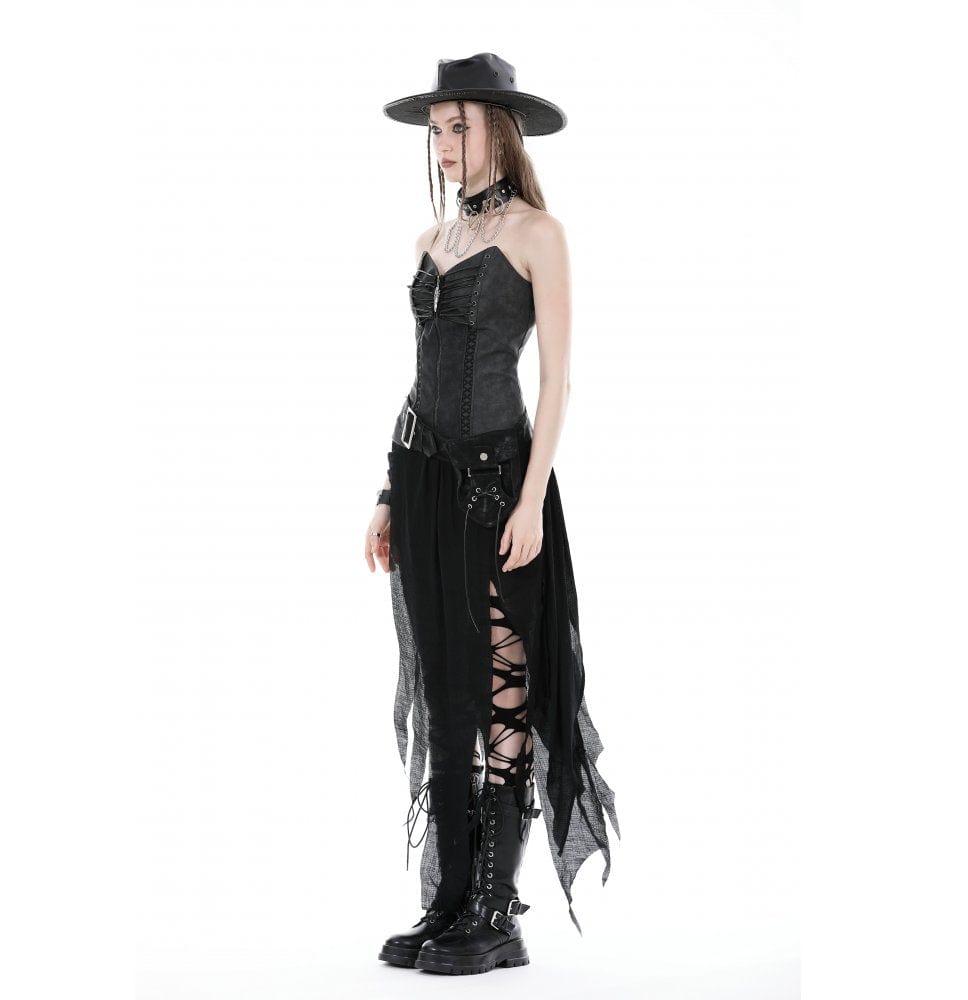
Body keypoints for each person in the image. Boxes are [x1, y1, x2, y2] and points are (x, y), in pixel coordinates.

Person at [364, 53, 621, 975]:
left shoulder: (539, 234)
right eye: (436, 128)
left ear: (500, 131)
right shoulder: (430, 239)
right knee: (444, 693)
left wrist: (532, 496)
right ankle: (447, 901)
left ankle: (495, 911)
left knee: (505, 688)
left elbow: (556, 380)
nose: (444, 143)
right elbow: (422, 376)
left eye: (459, 125)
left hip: (496, 482)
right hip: (422, 479)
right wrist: (387, 491)